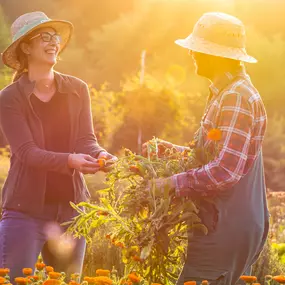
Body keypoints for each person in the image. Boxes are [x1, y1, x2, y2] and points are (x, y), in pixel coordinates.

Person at [143, 12, 269, 285]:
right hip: (224, 221)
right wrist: (169, 151)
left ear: (215, 55)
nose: (191, 54)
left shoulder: (236, 97)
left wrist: (168, 184)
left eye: (197, 49)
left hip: (225, 224)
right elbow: (217, 156)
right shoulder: (225, 92)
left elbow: (225, 172)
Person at [0, 12, 116, 281]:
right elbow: (26, 152)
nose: (54, 42)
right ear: (26, 47)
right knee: (13, 280)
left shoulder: (77, 89)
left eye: (56, 37)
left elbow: (86, 140)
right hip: (25, 211)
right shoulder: (9, 98)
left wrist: (100, 154)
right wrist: (70, 161)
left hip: (72, 212)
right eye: (44, 36)